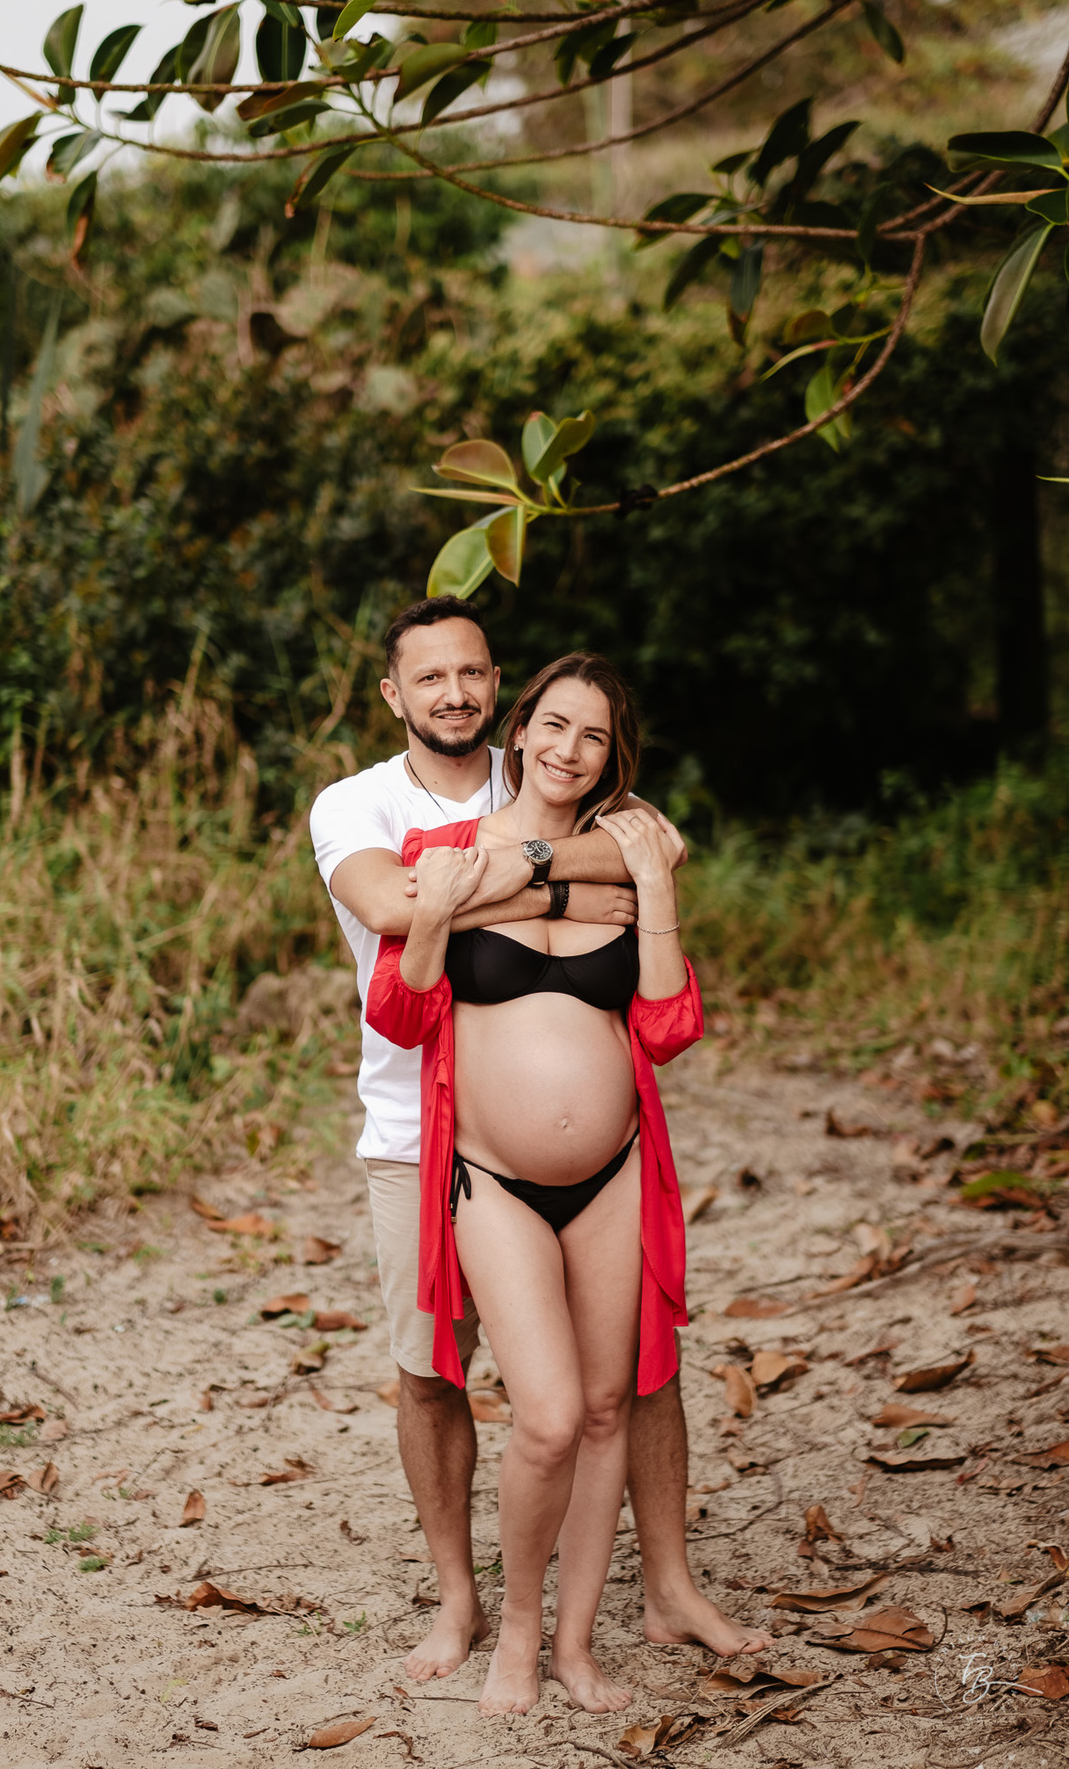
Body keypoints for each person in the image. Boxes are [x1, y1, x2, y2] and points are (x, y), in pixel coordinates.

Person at [309, 597, 769, 1685]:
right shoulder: (359, 803)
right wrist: (537, 874)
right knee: (436, 1372)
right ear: (396, 694)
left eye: (472, 671)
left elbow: (665, 855)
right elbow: (395, 904)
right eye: (431, 678)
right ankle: (463, 1605)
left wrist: (513, 875)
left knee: (626, 1384)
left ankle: (657, 1590)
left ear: (498, 687)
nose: (454, 692)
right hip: (425, 1135)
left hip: (602, 1161)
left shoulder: (572, 794)